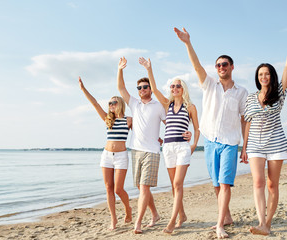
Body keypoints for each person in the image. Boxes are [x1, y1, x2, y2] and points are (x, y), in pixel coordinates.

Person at [174, 27, 248, 239]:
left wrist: (245, 146)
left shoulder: (241, 92)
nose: (221, 67)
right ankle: (227, 217)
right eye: (218, 65)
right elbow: (196, 67)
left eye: (224, 64)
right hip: (210, 141)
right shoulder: (209, 85)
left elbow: (244, 119)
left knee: (225, 183)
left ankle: (219, 225)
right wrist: (188, 43)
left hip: (230, 142)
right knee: (216, 184)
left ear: (232, 67)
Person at [240, 22, 287, 236]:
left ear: (271, 76)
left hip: (276, 143)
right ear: (257, 78)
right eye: (260, 74)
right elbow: (247, 122)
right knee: (257, 182)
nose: (263, 77)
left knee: (271, 185)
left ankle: (268, 222)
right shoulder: (250, 98)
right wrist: (244, 147)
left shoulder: (279, 93)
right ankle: (261, 222)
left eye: (266, 74)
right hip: (256, 144)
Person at [117, 57, 191, 234]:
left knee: (144, 187)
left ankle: (138, 222)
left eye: (145, 87)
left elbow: (172, 123)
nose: (142, 90)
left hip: (152, 151)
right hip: (135, 150)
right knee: (141, 187)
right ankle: (156, 214)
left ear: (150, 89)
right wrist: (120, 69)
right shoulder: (134, 103)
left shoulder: (159, 106)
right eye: (139, 88)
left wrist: (187, 134)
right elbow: (121, 88)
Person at [139, 57, 200, 234]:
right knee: (174, 185)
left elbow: (196, 128)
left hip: (182, 148)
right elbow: (155, 89)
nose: (174, 89)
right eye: (172, 86)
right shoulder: (167, 104)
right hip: (168, 148)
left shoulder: (191, 107)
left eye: (178, 86)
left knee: (178, 184)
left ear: (183, 89)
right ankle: (182, 215)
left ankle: (172, 221)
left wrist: (194, 144)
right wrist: (149, 69)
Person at [78, 76, 132, 230]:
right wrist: (83, 89)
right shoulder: (108, 119)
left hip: (121, 156)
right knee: (108, 188)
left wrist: (159, 139)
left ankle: (128, 209)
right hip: (107, 156)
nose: (110, 105)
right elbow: (94, 103)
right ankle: (113, 219)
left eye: (113, 103)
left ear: (120, 104)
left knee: (118, 189)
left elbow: (143, 131)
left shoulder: (129, 120)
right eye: (109, 103)